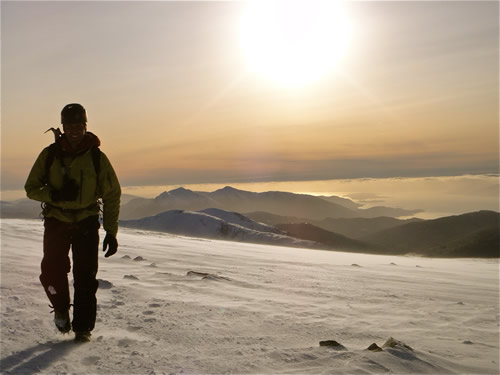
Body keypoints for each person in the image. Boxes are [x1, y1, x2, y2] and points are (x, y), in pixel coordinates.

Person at [25, 103, 121, 343]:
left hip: (87, 222)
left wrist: (111, 231)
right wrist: (54, 195)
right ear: (63, 127)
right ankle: (60, 309)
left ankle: (83, 329)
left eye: (79, 126)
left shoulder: (97, 158)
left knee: (85, 277)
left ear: (85, 126)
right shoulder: (49, 155)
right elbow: (31, 188)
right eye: (70, 126)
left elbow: (112, 194)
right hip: (57, 220)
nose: (75, 131)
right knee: (51, 272)